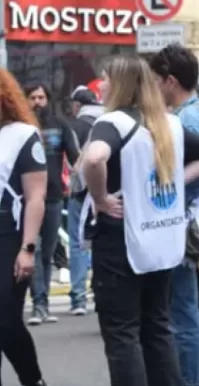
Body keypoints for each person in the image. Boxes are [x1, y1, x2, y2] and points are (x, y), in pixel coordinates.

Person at [80, 54, 199, 386]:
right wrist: (172, 183)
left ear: (119, 84)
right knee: (157, 327)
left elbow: (94, 157)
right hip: (161, 239)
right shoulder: (167, 122)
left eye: (105, 79)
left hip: (120, 239)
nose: (101, 86)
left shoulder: (112, 122)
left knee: (122, 333)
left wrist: (101, 197)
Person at [149, 44, 199, 386]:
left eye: (155, 81)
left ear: (170, 82)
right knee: (185, 307)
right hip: (186, 220)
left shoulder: (188, 116)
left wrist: (170, 183)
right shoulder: (195, 110)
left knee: (184, 308)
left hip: (185, 221)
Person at [0, 68, 57, 386]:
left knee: (6, 319)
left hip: (10, 234)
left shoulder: (22, 135)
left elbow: (36, 195)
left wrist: (28, 248)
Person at [24, 82, 80, 326]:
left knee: (46, 253)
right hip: (25, 199)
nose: (37, 102)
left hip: (54, 196)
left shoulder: (60, 125)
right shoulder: (19, 127)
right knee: (33, 250)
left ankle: (42, 304)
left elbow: (75, 157)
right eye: (33, 97)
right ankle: (38, 305)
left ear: (47, 100)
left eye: (41, 97)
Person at [66, 85, 104, 315]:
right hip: (107, 192)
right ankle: (101, 294)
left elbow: (73, 162)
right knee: (102, 243)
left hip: (82, 192)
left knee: (78, 243)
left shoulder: (75, 126)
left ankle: (78, 298)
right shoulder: (108, 121)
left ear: (78, 105)